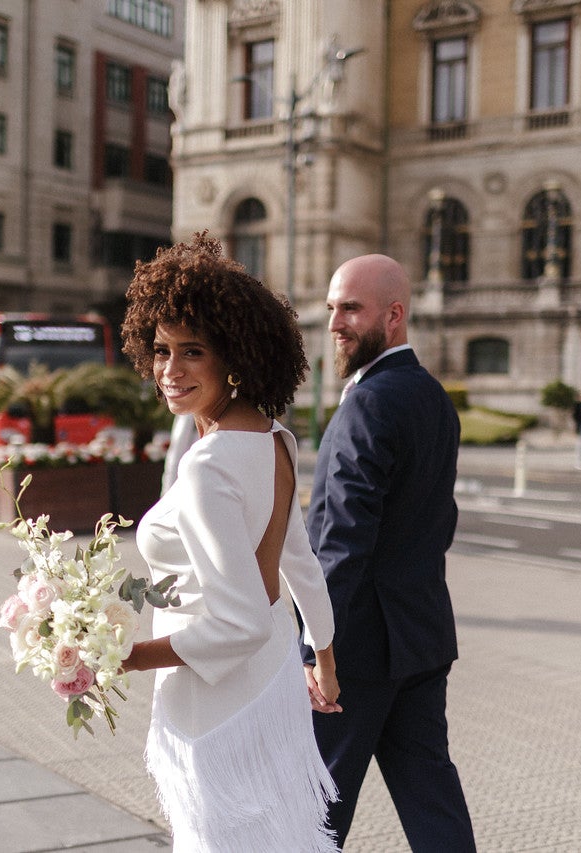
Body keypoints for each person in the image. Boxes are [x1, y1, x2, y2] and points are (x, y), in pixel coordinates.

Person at [120, 233, 342, 852]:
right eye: (161, 351)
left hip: (215, 704)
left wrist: (128, 656)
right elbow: (300, 562)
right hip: (270, 686)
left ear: (234, 355)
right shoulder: (273, 438)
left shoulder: (212, 465)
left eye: (192, 352)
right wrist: (323, 662)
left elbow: (238, 622)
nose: (170, 370)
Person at [305, 253, 477, 851]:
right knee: (432, 798)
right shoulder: (433, 397)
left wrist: (314, 649)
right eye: (332, 308)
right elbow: (437, 522)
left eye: (350, 308)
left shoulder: (369, 403)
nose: (335, 323)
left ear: (395, 316)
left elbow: (343, 539)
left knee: (314, 811)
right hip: (421, 637)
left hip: (356, 655)